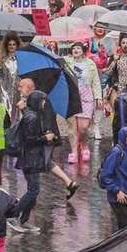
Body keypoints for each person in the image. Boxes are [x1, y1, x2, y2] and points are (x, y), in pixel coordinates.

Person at [9, 78, 78, 229]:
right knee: (33, 191)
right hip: (30, 158)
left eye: (21, 86)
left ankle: (22, 220)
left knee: (33, 191)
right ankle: (15, 215)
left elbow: (34, 129)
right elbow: (29, 137)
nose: (19, 89)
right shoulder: (32, 114)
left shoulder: (33, 112)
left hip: (33, 157)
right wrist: (44, 138)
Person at [67, 41, 103, 168]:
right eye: (73, 48)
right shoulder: (67, 62)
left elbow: (96, 82)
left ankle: (84, 144)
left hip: (86, 98)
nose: (75, 50)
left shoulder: (90, 64)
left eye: (78, 48)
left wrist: (98, 97)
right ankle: (73, 152)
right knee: (72, 127)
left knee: (83, 128)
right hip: (71, 97)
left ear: (83, 50)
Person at [99, 127, 127, 230]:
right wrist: (116, 190)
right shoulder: (117, 152)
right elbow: (106, 175)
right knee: (123, 225)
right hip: (119, 196)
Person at [0, 36, 21, 118]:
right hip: (5, 91)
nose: (11, 46)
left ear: (17, 46)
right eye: (10, 45)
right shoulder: (3, 60)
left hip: (17, 91)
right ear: (7, 46)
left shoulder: (20, 60)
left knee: (16, 113)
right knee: (5, 113)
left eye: (14, 44)